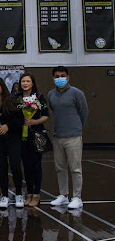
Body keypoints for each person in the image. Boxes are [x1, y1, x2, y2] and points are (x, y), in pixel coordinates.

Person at [48, 66, 88, 210]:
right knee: (60, 168)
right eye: (57, 76)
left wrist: (76, 128)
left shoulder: (77, 93)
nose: (60, 78)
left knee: (75, 169)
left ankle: (77, 197)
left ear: (68, 77)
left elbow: (84, 112)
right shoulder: (51, 95)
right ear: (53, 78)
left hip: (73, 137)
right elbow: (54, 111)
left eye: (62, 75)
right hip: (58, 136)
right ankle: (63, 195)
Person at [0, 76, 25, 209]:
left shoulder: (13, 101)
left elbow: (20, 120)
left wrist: (8, 126)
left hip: (13, 139)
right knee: (2, 167)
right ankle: (4, 195)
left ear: (2, 86)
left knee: (15, 166)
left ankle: (19, 193)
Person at [19, 73, 49, 207]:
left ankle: (36, 194)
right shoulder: (17, 99)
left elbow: (46, 116)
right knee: (26, 166)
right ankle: (29, 193)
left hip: (36, 135)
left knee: (36, 166)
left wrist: (34, 121)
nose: (25, 83)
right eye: (23, 81)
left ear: (32, 83)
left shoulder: (40, 98)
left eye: (28, 81)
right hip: (22, 137)